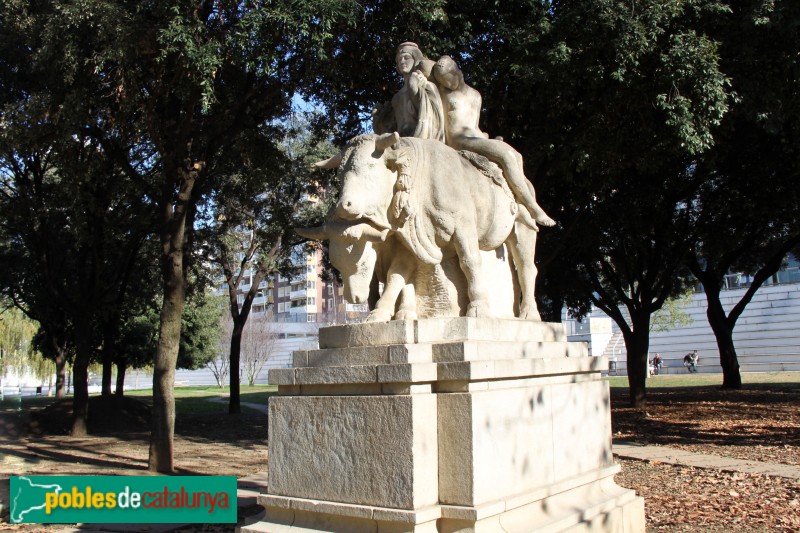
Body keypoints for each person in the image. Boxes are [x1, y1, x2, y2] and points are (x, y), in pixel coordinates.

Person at [431, 55, 555, 227]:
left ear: (457, 71)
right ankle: (533, 207)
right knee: (506, 155)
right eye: (443, 81)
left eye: (448, 78)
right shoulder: (441, 94)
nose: (447, 84)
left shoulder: (475, 95)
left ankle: (520, 200)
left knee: (516, 156)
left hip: (475, 137)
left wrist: (487, 139)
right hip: (459, 140)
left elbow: (474, 125)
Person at [373, 42, 445, 142]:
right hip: (400, 141)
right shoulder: (396, 97)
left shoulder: (427, 86)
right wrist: (380, 119)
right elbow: (391, 127)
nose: (402, 61)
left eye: (406, 58)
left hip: (420, 139)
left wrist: (415, 87)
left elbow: (434, 119)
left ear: (415, 60)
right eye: (399, 59)